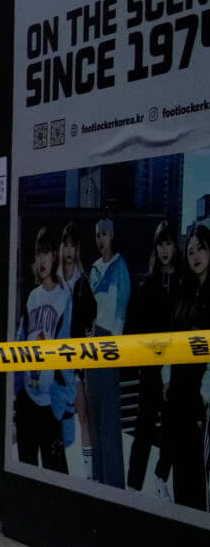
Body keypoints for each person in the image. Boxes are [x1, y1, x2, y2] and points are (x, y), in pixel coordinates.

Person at [16, 227, 74, 472]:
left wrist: (64, 402)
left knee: (57, 474)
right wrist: (18, 391)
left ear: (54, 257)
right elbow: (19, 344)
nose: (41, 259)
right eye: (38, 253)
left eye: (46, 252)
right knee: (27, 471)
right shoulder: (32, 297)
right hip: (28, 400)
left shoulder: (64, 298)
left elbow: (71, 352)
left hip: (52, 403)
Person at [127, 220, 179, 492]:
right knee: (144, 428)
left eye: (169, 243)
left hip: (177, 368)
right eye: (161, 243)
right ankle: (132, 486)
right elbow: (133, 326)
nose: (165, 249)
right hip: (150, 368)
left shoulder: (184, 282)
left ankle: (162, 481)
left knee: (171, 430)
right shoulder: (147, 283)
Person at [163, 223, 210, 511]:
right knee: (181, 473)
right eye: (190, 250)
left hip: (200, 398)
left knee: (197, 473)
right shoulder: (185, 291)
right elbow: (171, 338)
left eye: (201, 249)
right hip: (180, 393)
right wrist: (167, 375)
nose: (195, 256)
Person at [84, 217, 131, 486]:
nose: (101, 239)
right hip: (91, 343)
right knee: (94, 412)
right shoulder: (93, 269)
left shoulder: (119, 267)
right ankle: (100, 479)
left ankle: (114, 482)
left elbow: (121, 310)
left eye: (104, 233)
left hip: (110, 343)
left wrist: (116, 348)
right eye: (97, 235)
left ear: (112, 235)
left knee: (109, 419)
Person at [59, 222, 99, 474]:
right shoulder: (54, 279)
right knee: (58, 418)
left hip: (78, 358)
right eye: (67, 245)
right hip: (56, 356)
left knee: (83, 416)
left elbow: (92, 318)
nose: (70, 250)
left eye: (74, 246)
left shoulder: (84, 282)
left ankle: (87, 470)